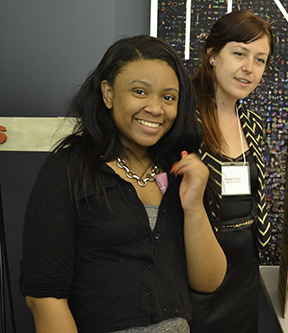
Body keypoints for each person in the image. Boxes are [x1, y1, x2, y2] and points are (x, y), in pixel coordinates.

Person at [21, 35, 226, 333]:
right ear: (108, 93)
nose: (156, 109)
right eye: (140, 92)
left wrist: (193, 205)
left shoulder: (181, 170)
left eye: (168, 97)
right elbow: (44, 299)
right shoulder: (67, 170)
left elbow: (208, 281)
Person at [190, 10, 274, 333]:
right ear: (213, 55)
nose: (249, 68)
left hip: (246, 267)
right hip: (199, 267)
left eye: (260, 60)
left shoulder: (253, 124)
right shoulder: (184, 122)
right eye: (239, 53)